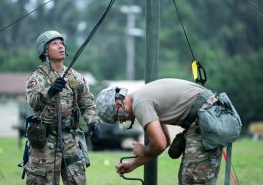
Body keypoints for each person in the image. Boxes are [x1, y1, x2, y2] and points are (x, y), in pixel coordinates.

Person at [95, 78, 224, 184]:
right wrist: (133, 164)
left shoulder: (140, 104)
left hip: (206, 119)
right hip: (208, 116)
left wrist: (143, 150)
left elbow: (159, 144)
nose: (123, 121)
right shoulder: (142, 96)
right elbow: (165, 142)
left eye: (119, 118)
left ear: (119, 106)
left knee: (192, 180)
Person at [25, 30, 101, 185]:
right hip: (45, 140)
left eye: (61, 43)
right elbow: (33, 100)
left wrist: (93, 121)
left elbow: (87, 102)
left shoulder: (75, 77)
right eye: (54, 44)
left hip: (70, 139)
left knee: (77, 181)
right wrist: (50, 91)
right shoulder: (38, 77)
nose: (60, 46)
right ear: (45, 51)